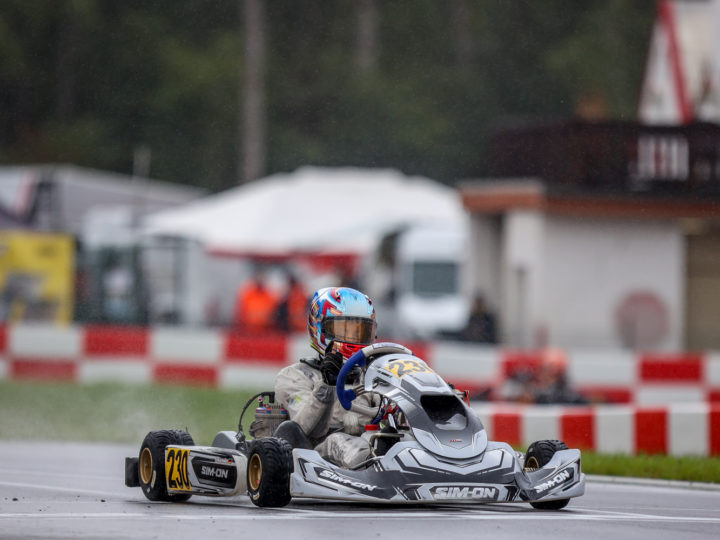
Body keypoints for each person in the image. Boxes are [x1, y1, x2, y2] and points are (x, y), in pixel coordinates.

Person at [273, 286, 381, 468]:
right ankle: (367, 464)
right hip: (314, 457)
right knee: (337, 441)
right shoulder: (294, 376)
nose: (353, 339)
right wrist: (327, 384)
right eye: (344, 330)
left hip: (369, 447)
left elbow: (391, 415)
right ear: (320, 328)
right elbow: (303, 428)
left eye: (360, 332)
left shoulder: (370, 377)